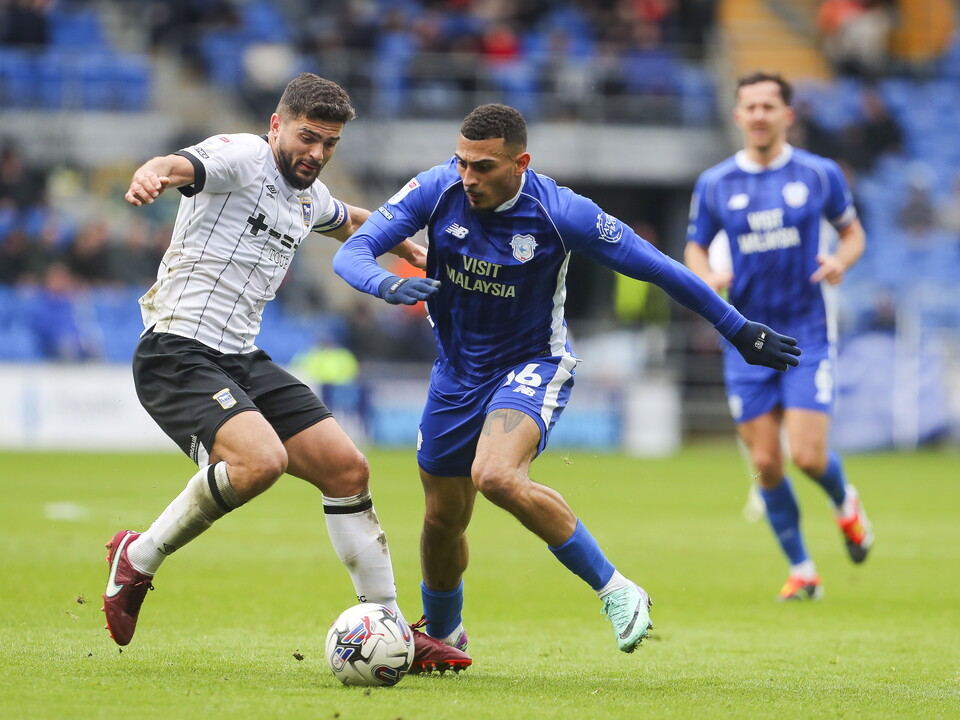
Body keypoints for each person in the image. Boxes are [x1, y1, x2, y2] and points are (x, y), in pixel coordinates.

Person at [332, 103, 801, 654]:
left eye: (483, 166)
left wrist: (737, 329)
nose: (468, 177)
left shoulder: (562, 212)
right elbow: (353, 253)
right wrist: (386, 284)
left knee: (496, 475)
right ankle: (442, 636)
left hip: (531, 363)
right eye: (461, 162)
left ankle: (616, 588)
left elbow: (657, 266)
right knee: (442, 520)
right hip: (456, 374)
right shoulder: (437, 189)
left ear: (520, 163)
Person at [102, 72, 471, 674]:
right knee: (260, 462)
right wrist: (152, 173)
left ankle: (391, 627)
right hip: (177, 351)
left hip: (240, 357)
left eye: (330, 144)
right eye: (307, 137)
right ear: (277, 125)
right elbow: (179, 165)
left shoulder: (307, 195)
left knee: (347, 469)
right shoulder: (242, 156)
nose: (317, 153)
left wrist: (406, 246)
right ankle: (137, 559)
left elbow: (349, 218)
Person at [684, 72, 874, 602]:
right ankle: (803, 570)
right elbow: (695, 247)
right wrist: (707, 276)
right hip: (745, 339)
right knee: (766, 464)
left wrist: (840, 261)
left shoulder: (819, 173)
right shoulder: (715, 183)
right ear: (738, 115)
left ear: (787, 115)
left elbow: (854, 233)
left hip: (806, 332)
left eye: (769, 106)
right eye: (751, 106)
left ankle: (844, 501)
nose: (760, 115)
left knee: (808, 456)